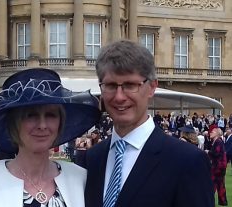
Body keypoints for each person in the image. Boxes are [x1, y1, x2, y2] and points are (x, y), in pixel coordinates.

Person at [84, 40, 214, 207]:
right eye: (110, 85)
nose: (119, 97)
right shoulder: (93, 157)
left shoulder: (188, 161)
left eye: (130, 85)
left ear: (152, 87)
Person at [0, 68, 101, 207]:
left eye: (50, 115)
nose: (42, 125)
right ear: (14, 123)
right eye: (31, 115)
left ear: (60, 122)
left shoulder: (80, 178)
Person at [206, 128, 228, 206]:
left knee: (213, 186)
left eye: (213, 132)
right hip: (219, 167)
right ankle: (223, 202)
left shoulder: (218, 142)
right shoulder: (216, 141)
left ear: (217, 133)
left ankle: (209, 202)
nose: (211, 133)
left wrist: (208, 152)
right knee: (220, 185)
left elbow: (216, 153)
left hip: (218, 168)